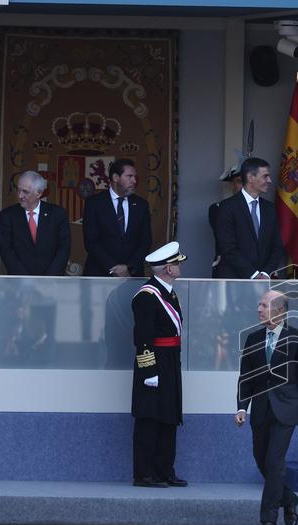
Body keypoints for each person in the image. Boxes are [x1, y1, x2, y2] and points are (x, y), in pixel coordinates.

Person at [235, 290, 298, 525]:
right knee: (261, 459)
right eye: (259, 304)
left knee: (274, 462)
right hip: (260, 410)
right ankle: (289, 498)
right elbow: (245, 377)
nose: (259, 309)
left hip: (287, 410)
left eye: (264, 305)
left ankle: (268, 520)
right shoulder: (252, 339)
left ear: (280, 311)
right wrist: (241, 407)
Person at [131, 241, 188, 489]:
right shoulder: (147, 295)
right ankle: (144, 473)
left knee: (169, 417)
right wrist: (149, 370)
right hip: (154, 363)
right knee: (149, 419)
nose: (179, 266)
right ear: (168, 269)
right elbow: (142, 337)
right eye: (176, 263)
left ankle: (165, 470)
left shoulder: (169, 292)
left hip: (170, 361)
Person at [214, 157, 287, 280]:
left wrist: (265, 273)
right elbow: (227, 248)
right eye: (265, 176)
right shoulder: (227, 207)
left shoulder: (270, 209)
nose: (269, 180)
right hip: (235, 281)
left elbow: (277, 246)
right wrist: (253, 274)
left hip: (265, 281)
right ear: (250, 177)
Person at [82, 158, 152, 278]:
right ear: (115, 178)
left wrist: (129, 267)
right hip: (100, 273)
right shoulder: (94, 203)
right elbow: (91, 242)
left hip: (132, 275)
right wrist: (112, 267)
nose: (134, 181)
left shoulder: (141, 205)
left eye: (134, 177)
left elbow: (145, 241)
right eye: (129, 176)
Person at [0, 171, 71, 275]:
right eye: (18, 190)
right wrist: (25, 280)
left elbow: (64, 248)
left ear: (39, 193)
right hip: (19, 283)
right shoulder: (7, 216)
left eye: (25, 192)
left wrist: (49, 278)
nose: (20, 195)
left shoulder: (57, 214)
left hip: (51, 282)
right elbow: (6, 251)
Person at [209, 162, 244, 278]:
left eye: (247, 181)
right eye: (239, 181)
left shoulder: (265, 209)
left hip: (257, 269)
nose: (244, 185)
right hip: (227, 268)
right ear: (232, 185)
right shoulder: (217, 209)